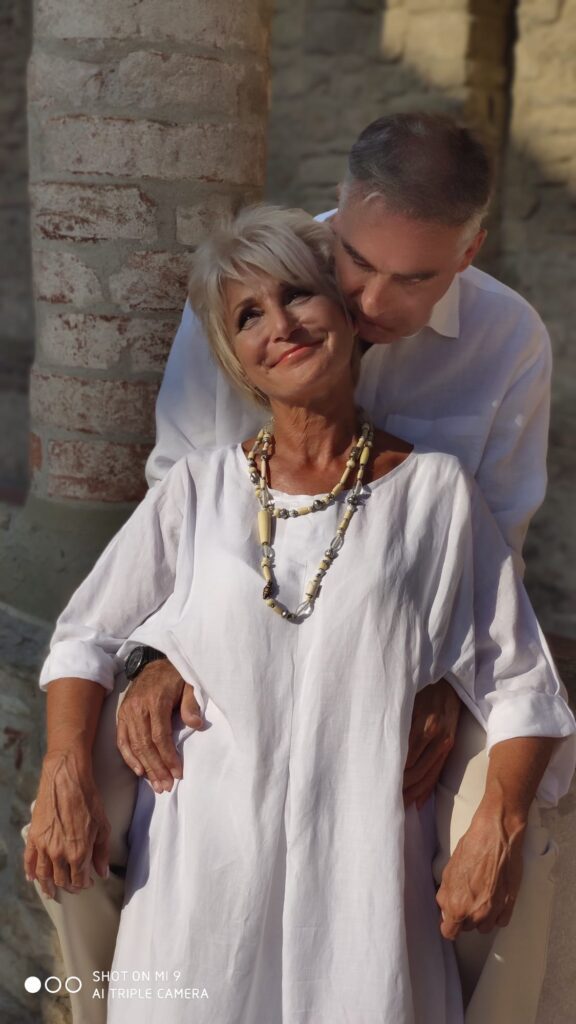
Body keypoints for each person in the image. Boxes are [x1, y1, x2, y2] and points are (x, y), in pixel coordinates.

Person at [23, 114, 561, 1023]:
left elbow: (506, 614)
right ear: (337, 220)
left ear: (467, 252)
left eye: (413, 278)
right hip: (216, 755)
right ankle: (101, 994)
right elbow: (117, 597)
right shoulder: (270, 299)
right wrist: (152, 657)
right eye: (357, 266)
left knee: (510, 835)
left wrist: (441, 675)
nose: (370, 300)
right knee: (84, 815)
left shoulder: (492, 375)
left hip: (411, 678)